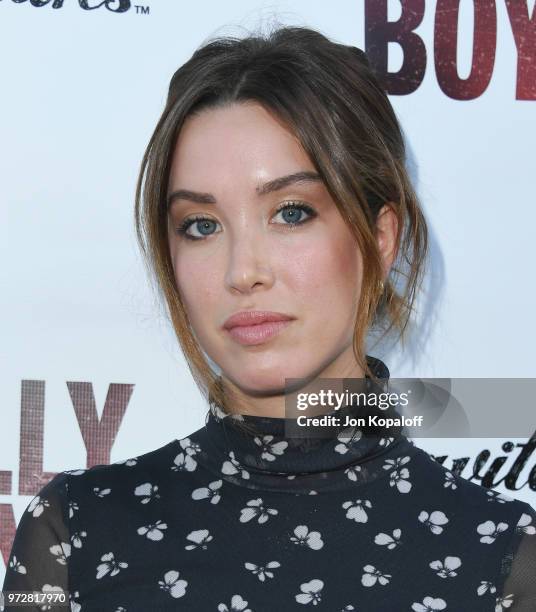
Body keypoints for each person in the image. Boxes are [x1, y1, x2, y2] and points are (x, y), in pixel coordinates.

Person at [2, 24, 535, 612]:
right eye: (201, 225)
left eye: (291, 213)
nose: (243, 271)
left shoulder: (502, 558)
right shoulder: (76, 532)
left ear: (381, 238)